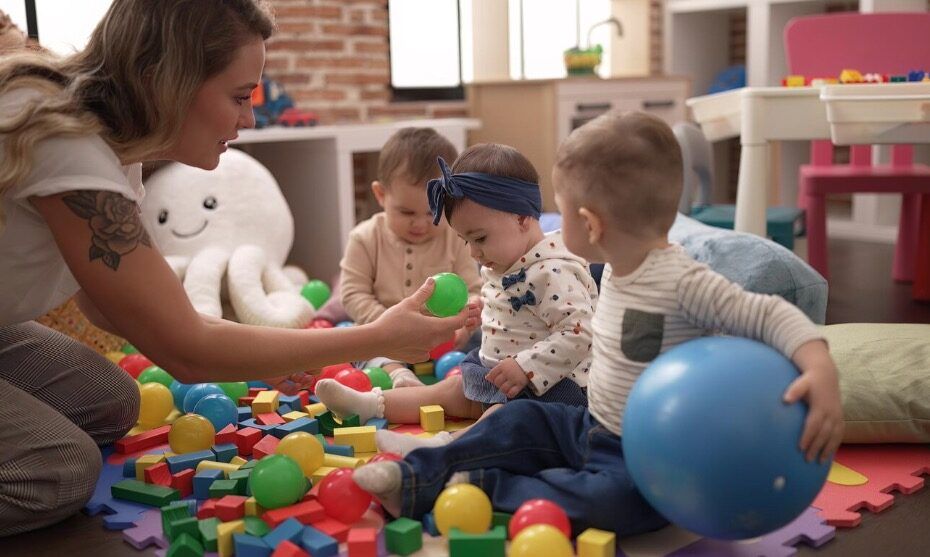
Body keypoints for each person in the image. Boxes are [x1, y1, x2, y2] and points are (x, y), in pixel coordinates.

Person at [0, 0, 476, 536]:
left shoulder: (118, 150)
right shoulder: (66, 141)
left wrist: (255, 351)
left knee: (112, 405)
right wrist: (370, 337)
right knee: (61, 470)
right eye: (238, 96)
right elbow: (186, 348)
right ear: (167, 80)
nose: (249, 117)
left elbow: (110, 302)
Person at [350, 111, 844, 537]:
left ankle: (480, 490)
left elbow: (767, 311)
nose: (549, 225)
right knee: (516, 419)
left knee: (620, 505)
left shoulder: (682, 280)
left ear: (590, 223)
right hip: (588, 423)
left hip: (645, 454)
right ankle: (416, 475)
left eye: (558, 214)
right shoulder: (613, 269)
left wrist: (818, 365)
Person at [315, 143, 597, 456]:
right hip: (497, 374)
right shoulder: (508, 258)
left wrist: (526, 367)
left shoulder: (554, 270)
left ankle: (441, 449)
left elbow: (580, 333)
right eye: (466, 240)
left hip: (548, 389)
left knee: (504, 419)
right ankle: (369, 404)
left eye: (479, 239)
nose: (473, 253)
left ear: (521, 219)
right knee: (449, 389)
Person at [336, 127, 482, 388]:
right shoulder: (365, 238)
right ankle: (399, 376)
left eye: (432, 212)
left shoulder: (455, 237)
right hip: (384, 335)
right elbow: (353, 294)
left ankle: (466, 378)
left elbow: (474, 289)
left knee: (487, 338)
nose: (420, 223)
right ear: (381, 195)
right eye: (406, 212)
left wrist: (465, 323)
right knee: (355, 343)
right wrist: (386, 326)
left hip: (444, 338)